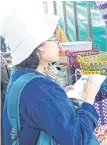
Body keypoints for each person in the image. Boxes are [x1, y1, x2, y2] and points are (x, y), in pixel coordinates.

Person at [1, 9, 100, 145]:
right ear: (39, 46)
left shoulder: (18, 75)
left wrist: (59, 98)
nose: (58, 43)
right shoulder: (40, 87)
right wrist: (89, 99)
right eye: (54, 38)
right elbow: (79, 138)